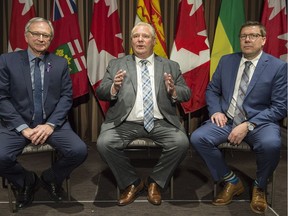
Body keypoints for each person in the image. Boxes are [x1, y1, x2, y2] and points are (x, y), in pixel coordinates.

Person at [190, 21, 287, 214]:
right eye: (244, 36)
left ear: (263, 40)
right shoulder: (227, 61)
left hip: (260, 123)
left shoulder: (278, 67)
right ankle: (231, 180)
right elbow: (212, 90)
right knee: (198, 138)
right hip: (227, 120)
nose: (248, 39)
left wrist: (248, 125)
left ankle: (259, 186)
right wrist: (216, 111)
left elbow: (280, 107)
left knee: (271, 144)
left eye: (253, 36)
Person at [96, 22, 191, 206]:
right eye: (136, 36)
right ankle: (132, 183)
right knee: (104, 143)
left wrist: (173, 91)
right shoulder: (117, 64)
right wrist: (114, 87)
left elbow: (186, 93)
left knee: (181, 143)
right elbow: (101, 91)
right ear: (131, 41)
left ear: (154, 41)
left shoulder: (170, 65)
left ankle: (155, 182)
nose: (140, 40)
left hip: (160, 121)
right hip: (125, 122)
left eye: (145, 36)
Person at [0, 17, 87, 209]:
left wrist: (50, 125)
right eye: (36, 34)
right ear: (26, 36)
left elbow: (66, 97)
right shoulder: (7, 61)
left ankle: (50, 178)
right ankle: (25, 181)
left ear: (50, 39)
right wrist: (23, 128)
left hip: (51, 124)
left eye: (46, 35)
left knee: (79, 151)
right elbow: (2, 98)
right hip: (17, 124)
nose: (41, 38)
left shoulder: (60, 63)